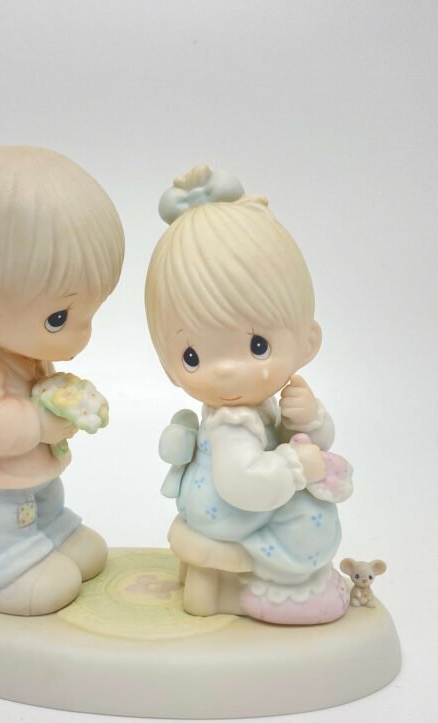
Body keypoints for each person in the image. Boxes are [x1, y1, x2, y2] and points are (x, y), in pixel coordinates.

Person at [145, 164, 349, 624]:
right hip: (229, 508)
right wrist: (297, 466)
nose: (226, 371)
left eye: (258, 346)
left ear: (307, 342)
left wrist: (309, 420)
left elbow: (316, 442)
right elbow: (244, 484)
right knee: (308, 518)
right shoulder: (231, 424)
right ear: (167, 362)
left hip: (234, 499)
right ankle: (265, 592)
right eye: (193, 356)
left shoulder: (256, 406)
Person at [0, 146, 124, 615]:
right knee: (9, 517)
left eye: (91, 311)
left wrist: (62, 410)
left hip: (33, 471)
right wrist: (39, 424)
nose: (82, 334)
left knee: (46, 498)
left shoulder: (28, 352)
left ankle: (52, 532)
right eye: (60, 318)